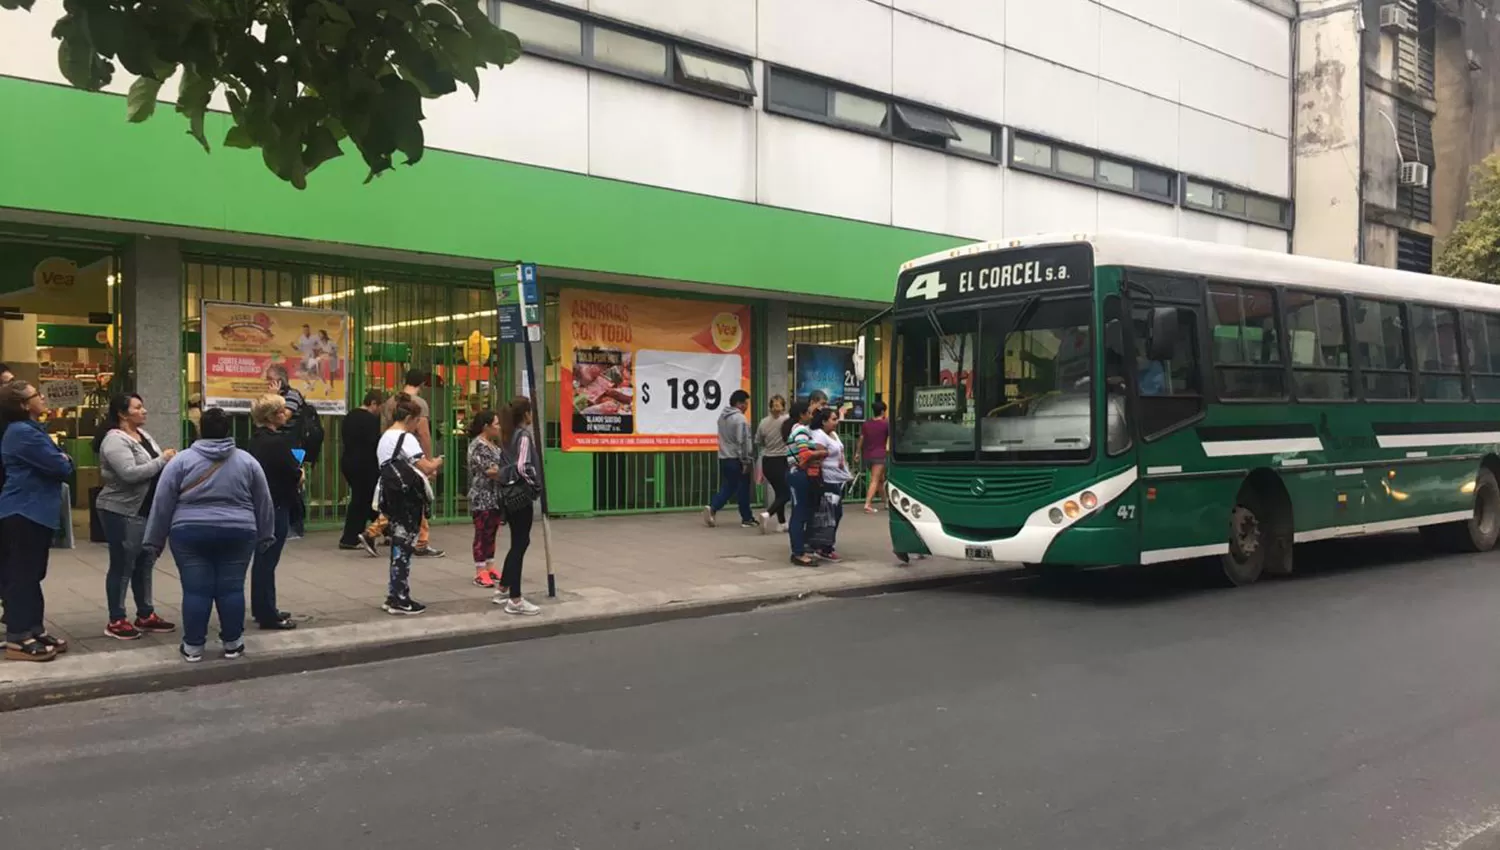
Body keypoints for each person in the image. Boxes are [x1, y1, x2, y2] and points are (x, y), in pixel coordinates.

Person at [145, 408, 275, 662]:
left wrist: (154, 539)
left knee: (196, 590)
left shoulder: (181, 461)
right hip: (239, 532)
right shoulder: (247, 462)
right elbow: (264, 501)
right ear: (229, 431)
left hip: (189, 533)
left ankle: (193, 646)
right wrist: (266, 535)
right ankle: (233, 644)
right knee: (231, 589)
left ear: (200, 429)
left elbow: (162, 502)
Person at [94, 393, 178, 640]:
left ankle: (145, 614)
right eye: (138, 407)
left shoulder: (143, 436)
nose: (145, 411)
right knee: (123, 564)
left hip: (145, 510)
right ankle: (116, 618)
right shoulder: (114, 440)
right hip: (121, 509)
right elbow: (129, 473)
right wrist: (163, 460)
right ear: (123, 413)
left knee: (144, 562)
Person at [0, 381, 73, 661]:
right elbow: (60, 466)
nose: (42, 398)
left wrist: (61, 459)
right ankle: (18, 636)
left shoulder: (30, 431)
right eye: (35, 395)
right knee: (22, 576)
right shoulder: (22, 433)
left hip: (36, 511)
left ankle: (35, 628)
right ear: (22, 405)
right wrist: (63, 459)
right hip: (23, 511)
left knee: (33, 575)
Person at [361, 369, 443, 557]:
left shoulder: (390, 401)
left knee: (398, 501)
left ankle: (374, 532)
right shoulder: (419, 404)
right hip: (410, 456)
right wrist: (430, 460)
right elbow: (423, 433)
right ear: (422, 384)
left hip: (392, 457)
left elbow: (384, 429)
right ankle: (420, 542)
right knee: (415, 497)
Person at [377, 394, 442, 615]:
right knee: (404, 546)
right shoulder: (406, 438)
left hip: (391, 494)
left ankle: (395, 593)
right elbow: (425, 466)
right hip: (407, 498)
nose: (417, 427)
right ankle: (400, 598)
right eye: (416, 422)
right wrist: (437, 462)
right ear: (409, 419)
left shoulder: (385, 436)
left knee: (398, 543)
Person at [246, 393, 300, 631]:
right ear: (270, 416)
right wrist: (300, 475)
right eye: (280, 411)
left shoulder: (254, 440)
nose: (284, 414)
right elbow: (292, 472)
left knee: (262, 559)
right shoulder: (277, 442)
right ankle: (268, 612)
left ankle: (263, 608)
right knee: (268, 561)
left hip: (259, 505)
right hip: (277, 504)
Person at [493, 396, 541, 615]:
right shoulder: (522, 436)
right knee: (520, 544)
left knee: (519, 541)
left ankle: (503, 586)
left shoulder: (507, 435)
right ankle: (515, 598)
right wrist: (535, 485)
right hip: (520, 496)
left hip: (508, 495)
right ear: (526, 414)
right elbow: (523, 466)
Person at [267, 365, 311, 538]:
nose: (267, 383)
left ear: (279, 380)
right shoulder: (276, 397)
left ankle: (296, 525)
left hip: (292, 445)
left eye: (270, 379)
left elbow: (283, 418)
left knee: (294, 484)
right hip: (279, 444)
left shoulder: (291, 395)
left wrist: (274, 398)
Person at [781, 399, 826, 568]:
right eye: (808, 412)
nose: (810, 415)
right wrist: (822, 452)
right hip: (798, 474)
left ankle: (800, 549)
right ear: (802, 415)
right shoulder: (800, 430)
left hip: (797, 473)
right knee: (799, 513)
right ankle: (797, 552)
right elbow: (805, 454)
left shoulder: (795, 429)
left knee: (803, 511)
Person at [339, 389, 384, 552]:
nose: (380, 412)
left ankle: (384, 529)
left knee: (365, 498)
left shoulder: (349, 416)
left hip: (348, 461)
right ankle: (350, 537)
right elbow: (374, 443)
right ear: (373, 403)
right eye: (379, 407)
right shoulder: (369, 420)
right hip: (364, 464)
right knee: (362, 500)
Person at [704, 389, 756, 529]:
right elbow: (743, 441)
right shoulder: (740, 419)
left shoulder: (722, 417)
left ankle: (714, 507)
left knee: (729, 485)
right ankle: (745, 517)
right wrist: (746, 460)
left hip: (724, 457)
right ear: (739, 404)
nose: (746, 407)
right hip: (736, 458)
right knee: (742, 488)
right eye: (745, 404)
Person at [467, 410, 506, 588]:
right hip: (482, 495)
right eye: (496, 424)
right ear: (486, 426)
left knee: (492, 532)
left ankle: (490, 565)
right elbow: (488, 470)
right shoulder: (478, 445)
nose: (498, 427)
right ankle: (480, 569)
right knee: (481, 533)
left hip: (495, 496)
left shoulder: (493, 445)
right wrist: (505, 472)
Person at [811, 408, 849, 562]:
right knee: (830, 514)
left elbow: (840, 452)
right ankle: (824, 547)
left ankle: (824, 545)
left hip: (838, 478)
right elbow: (818, 458)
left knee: (836, 513)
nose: (836, 422)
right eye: (833, 419)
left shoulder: (833, 434)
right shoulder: (819, 435)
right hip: (827, 479)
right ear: (824, 421)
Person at [755, 395, 790, 534]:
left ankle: (782, 523)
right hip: (781, 460)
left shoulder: (763, 422)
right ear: (783, 407)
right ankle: (767, 514)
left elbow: (759, 440)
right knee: (786, 494)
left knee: (779, 492)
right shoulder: (786, 421)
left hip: (767, 461)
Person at [858, 401, 890, 514]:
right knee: (875, 480)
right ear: (882, 411)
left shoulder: (866, 424)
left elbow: (861, 439)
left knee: (880, 480)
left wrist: (857, 453)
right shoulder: (886, 424)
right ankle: (867, 504)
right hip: (879, 455)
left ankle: (886, 502)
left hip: (867, 455)